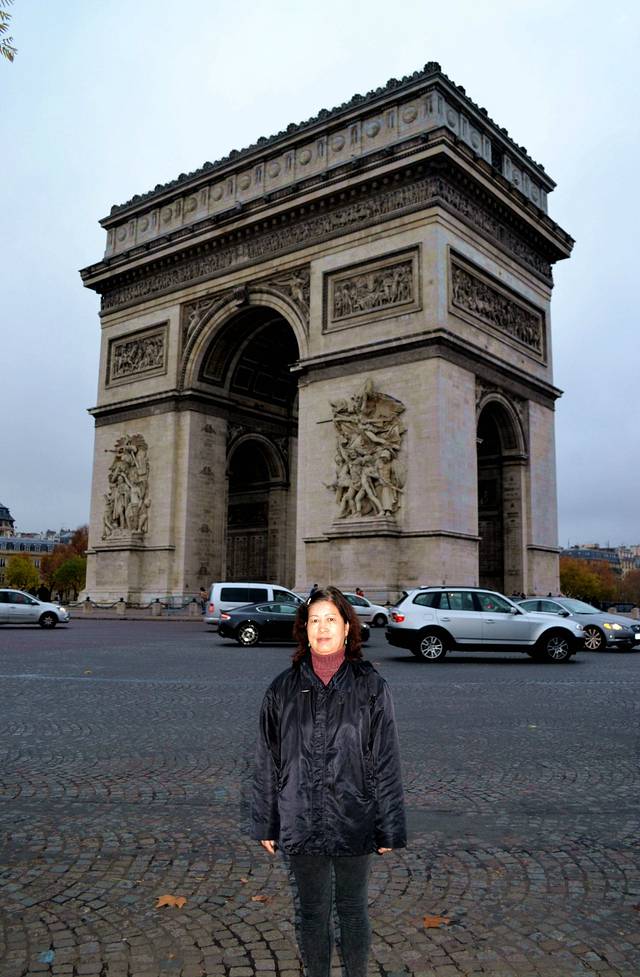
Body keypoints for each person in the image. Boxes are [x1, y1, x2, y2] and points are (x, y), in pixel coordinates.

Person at [251, 586, 406, 977]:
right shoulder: (281, 689)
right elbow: (268, 758)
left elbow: (386, 758)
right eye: (314, 620)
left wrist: (389, 827)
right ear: (304, 629)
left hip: (354, 814)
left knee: (352, 909)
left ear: (347, 627)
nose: (322, 628)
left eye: (331, 620)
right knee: (312, 912)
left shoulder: (372, 686)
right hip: (300, 817)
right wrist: (267, 822)